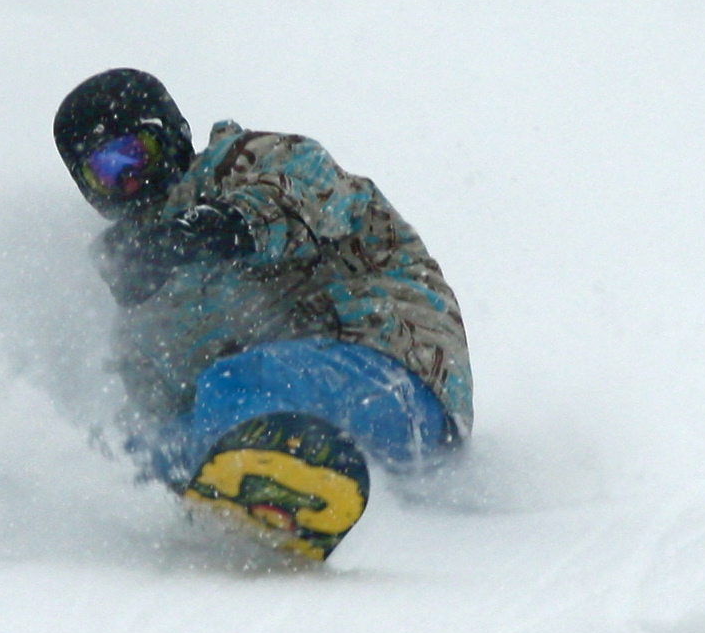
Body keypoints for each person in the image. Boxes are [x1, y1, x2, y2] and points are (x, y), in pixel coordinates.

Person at [54, 68, 470, 561]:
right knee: (135, 453)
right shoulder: (142, 297)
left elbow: (302, 200)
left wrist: (205, 230)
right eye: (105, 171)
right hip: (275, 419)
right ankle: (225, 497)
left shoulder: (248, 161)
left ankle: (266, 482)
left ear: (170, 135)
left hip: (391, 377)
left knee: (238, 382)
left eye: (135, 154)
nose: (128, 179)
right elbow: (161, 410)